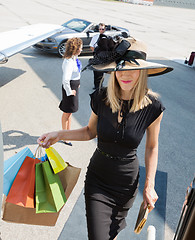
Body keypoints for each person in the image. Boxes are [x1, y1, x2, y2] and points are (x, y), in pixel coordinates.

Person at [37, 37, 173, 240]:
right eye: (120, 68)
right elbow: (90, 132)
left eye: (132, 68)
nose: (124, 75)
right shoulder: (101, 98)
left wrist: (149, 185)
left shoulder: (153, 106)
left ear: (143, 72)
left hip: (126, 184)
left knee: (111, 234)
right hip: (98, 180)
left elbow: (152, 147)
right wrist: (59, 134)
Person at [59, 37, 82, 146]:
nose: (81, 50)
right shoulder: (68, 62)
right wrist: (69, 91)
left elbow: (76, 73)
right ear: (76, 49)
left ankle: (68, 133)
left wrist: (78, 83)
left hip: (74, 86)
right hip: (70, 88)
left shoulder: (75, 58)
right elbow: (65, 80)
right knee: (67, 112)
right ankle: (64, 136)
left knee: (70, 112)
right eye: (80, 48)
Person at [90, 23, 106, 90]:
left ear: (105, 29)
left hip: (103, 56)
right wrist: (96, 52)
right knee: (95, 71)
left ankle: (100, 86)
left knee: (101, 72)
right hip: (96, 55)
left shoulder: (107, 38)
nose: (101, 30)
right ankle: (96, 85)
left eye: (102, 29)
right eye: (100, 29)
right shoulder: (95, 37)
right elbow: (91, 46)